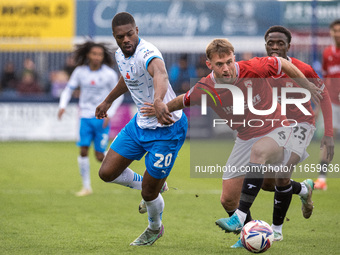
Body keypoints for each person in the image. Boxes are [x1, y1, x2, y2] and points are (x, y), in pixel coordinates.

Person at [141, 38, 322, 247]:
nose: (226, 68)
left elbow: (284, 64)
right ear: (209, 64)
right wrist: (161, 108)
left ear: (234, 57)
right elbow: (183, 100)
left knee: (259, 151)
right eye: (219, 64)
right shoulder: (206, 87)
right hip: (245, 137)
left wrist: (306, 84)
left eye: (228, 61)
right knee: (236, 196)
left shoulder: (253, 67)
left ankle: (240, 217)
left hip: (278, 127)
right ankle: (258, 227)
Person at [95, 12, 187, 246]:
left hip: (168, 128)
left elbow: (160, 73)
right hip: (140, 125)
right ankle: (156, 183)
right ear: (115, 37)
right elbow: (128, 78)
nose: (126, 39)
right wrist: (107, 100)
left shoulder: (148, 52)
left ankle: (154, 228)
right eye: (120, 36)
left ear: (137, 31)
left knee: (148, 194)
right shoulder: (120, 54)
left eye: (130, 34)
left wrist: (158, 100)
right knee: (106, 173)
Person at [259, 25, 334, 243]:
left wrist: (328, 134)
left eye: (280, 43)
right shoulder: (259, 70)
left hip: (302, 124)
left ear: (288, 46)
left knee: (283, 174)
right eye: (270, 43)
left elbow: (324, 98)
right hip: (274, 128)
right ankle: (303, 189)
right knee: (267, 184)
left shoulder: (304, 69)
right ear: (265, 45)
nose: (275, 47)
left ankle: (276, 230)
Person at [58, 41, 124, 197]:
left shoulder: (108, 74)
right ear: (88, 54)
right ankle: (86, 187)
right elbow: (68, 90)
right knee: (83, 150)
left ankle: (126, 171)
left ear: (103, 57)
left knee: (100, 157)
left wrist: (111, 113)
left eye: (99, 54)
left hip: (101, 118)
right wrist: (62, 105)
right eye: (94, 54)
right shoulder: (80, 72)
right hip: (85, 118)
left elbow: (118, 96)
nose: (96, 57)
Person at [315, 19, 340, 190]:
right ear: (331, 32)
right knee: (328, 139)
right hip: (334, 103)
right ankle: (321, 179)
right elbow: (325, 80)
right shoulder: (327, 54)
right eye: (335, 30)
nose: (337, 33)